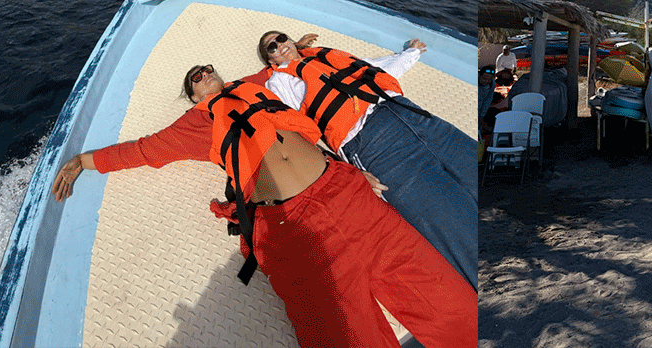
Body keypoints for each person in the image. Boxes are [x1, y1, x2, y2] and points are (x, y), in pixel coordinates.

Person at [52, 63, 476, 348]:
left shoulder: (254, 86)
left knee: (451, 305)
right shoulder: (195, 124)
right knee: (344, 335)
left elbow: (282, 64)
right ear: (192, 94)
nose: (205, 73)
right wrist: (83, 161)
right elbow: (144, 150)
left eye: (209, 67)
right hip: (292, 225)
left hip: (344, 192)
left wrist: (297, 47)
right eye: (195, 76)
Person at [254, 30, 477, 289]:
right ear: (270, 60)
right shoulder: (279, 84)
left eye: (282, 38)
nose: (280, 45)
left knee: (473, 168)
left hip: (411, 113)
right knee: (450, 220)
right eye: (272, 47)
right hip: (373, 142)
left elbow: (372, 68)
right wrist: (347, 172)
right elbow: (294, 134)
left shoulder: (325, 57)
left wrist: (410, 53)